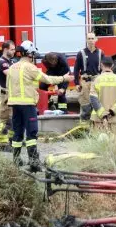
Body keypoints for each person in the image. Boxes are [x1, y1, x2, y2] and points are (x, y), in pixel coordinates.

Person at [7, 40, 74, 170]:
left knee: (17, 133)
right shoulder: (30, 67)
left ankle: (16, 160)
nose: (34, 58)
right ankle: (34, 162)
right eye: (33, 55)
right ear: (29, 54)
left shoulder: (12, 67)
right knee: (31, 133)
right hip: (27, 104)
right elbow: (47, 79)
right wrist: (64, 79)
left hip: (15, 104)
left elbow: (8, 86)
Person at [89, 56, 116, 132]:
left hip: (99, 120)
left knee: (98, 143)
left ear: (101, 65)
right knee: (115, 143)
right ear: (112, 66)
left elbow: (93, 99)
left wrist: (103, 115)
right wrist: (112, 112)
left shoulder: (96, 80)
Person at [74, 32, 103, 126]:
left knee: (97, 104)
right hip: (85, 82)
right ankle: (84, 127)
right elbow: (76, 69)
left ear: (96, 39)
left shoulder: (100, 53)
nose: (91, 41)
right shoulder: (81, 53)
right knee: (85, 104)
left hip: (97, 82)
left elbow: (104, 68)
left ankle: (96, 126)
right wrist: (76, 83)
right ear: (86, 40)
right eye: (89, 39)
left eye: (92, 38)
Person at [0, 40, 16, 152]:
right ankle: (2, 143)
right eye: (12, 49)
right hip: (6, 94)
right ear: (6, 49)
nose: (14, 51)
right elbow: (10, 74)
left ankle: (11, 140)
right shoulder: (2, 62)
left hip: (11, 93)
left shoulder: (9, 61)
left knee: (11, 119)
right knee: (5, 119)